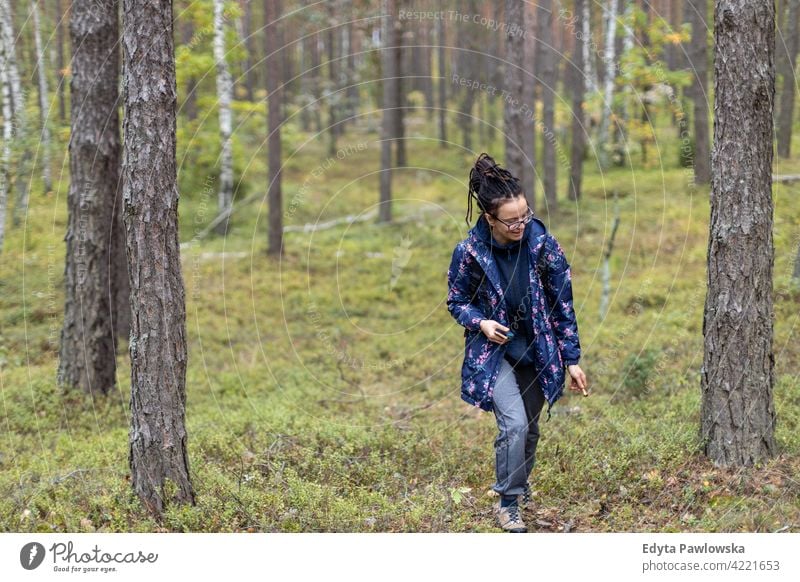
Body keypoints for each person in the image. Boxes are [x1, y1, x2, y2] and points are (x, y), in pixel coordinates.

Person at [446, 153, 588, 533]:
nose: (520, 224)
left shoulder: (543, 244)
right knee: (514, 426)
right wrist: (482, 322)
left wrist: (571, 358)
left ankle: (519, 487)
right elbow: (456, 301)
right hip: (495, 354)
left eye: (524, 215)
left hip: (539, 352)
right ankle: (508, 503)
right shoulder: (470, 253)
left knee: (530, 429)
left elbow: (563, 302)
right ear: (490, 219)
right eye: (511, 220)